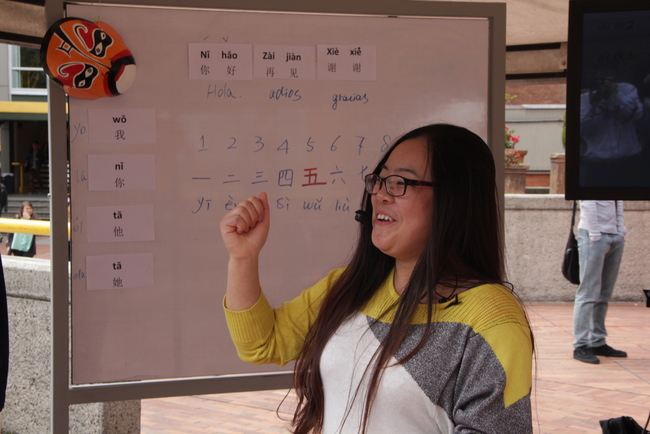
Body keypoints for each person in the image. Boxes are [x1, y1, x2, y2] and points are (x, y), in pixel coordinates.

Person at [220, 124, 534, 433]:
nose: (380, 195)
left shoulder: (492, 318)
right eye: (380, 180)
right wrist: (243, 258)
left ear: (454, 199)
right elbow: (261, 343)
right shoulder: (350, 286)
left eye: (400, 183)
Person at [572, 200, 627, 364]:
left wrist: (620, 232)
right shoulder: (590, 182)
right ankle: (581, 344)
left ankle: (598, 341)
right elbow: (588, 203)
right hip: (593, 236)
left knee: (604, 294)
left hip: (614, 237)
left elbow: (618, 201)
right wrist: (595, 234)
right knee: (588, 293)